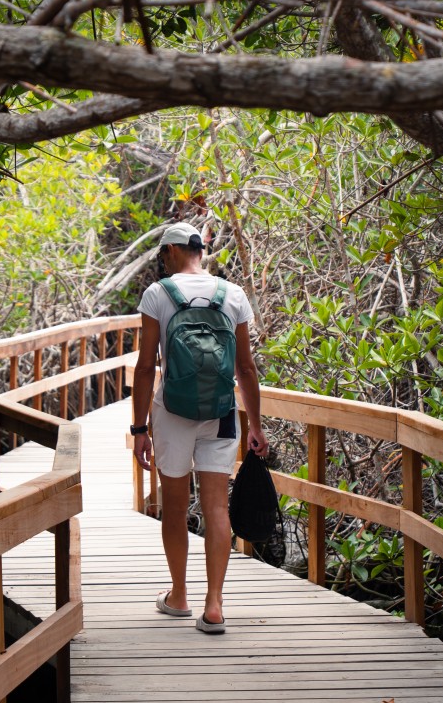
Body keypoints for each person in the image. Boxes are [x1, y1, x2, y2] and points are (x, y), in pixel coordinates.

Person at [131, 221, 268, 634]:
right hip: (222, 412)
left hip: (172, 413)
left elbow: (144, 367)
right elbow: (246, 368)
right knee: (216, 507)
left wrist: (139, 430)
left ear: (171, 252)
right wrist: (256, 426)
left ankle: (178, 596)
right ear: (199, 250)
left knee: (175, 506)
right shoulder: (233, 295)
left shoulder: (159, 294)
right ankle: (214, 605)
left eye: (161, 256)